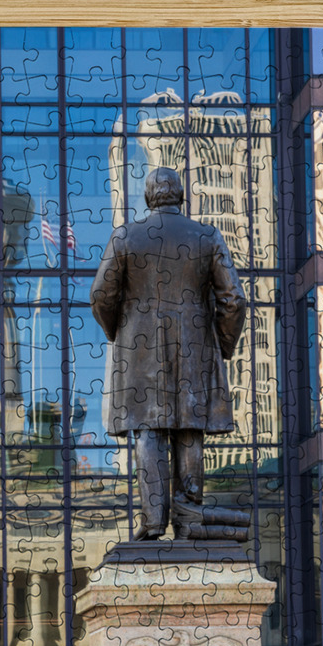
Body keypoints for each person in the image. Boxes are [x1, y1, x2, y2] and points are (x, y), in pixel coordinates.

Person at [90, 167, 248, 541]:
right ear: (180, 196)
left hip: (139, 349)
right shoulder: (207, 237)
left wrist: (121, 332)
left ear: (148, 198)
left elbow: (100, 296)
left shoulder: (126, 236)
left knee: (148, 431)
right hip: (195, 346)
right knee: (189, 428)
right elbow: (234, 300)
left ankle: (153, 522)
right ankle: (189, 516)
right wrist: (221, 346)